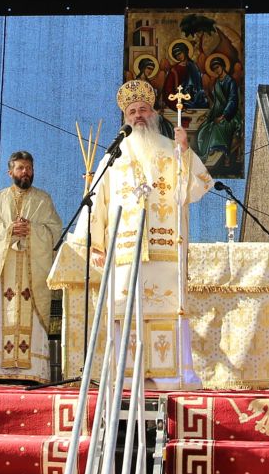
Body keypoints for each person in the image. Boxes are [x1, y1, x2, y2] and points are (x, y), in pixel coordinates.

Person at [53, 79, 212, 389]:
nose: (138, 115)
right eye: (132, 111)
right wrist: (93, 242)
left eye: (143, 109)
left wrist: (186, 151)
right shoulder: (113, 155)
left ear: (152, 113)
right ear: (125, 117)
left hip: (165, 247)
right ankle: (126, 377)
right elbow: (98, 200)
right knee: (125, 311)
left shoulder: (171, 150)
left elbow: (193, 189)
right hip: (124, 251)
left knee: (168, 308)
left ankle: (173, 376)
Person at [0, 151, 63, 385]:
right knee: (0, 318)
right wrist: (8, 231)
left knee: (31, 315)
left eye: (29, 168)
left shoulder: (43, 200)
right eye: (20, 168)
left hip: (31, 272)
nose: (25, 172)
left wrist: (32, 230)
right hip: (4, 272)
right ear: (10, 172)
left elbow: (55, 231)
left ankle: (33, 371)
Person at [195, 53, 242, 169]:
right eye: (214, 69)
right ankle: (206, 153)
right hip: (218, 112)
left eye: (217, 67)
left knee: (217, 127)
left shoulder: (230, 82)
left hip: (231, 115)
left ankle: (218, 152)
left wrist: (223, 116)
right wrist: (209, 115)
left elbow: (232, 101)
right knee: (204, 127)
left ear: (223, 66)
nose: (216, 70)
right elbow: (216, 103)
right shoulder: (217, 83)